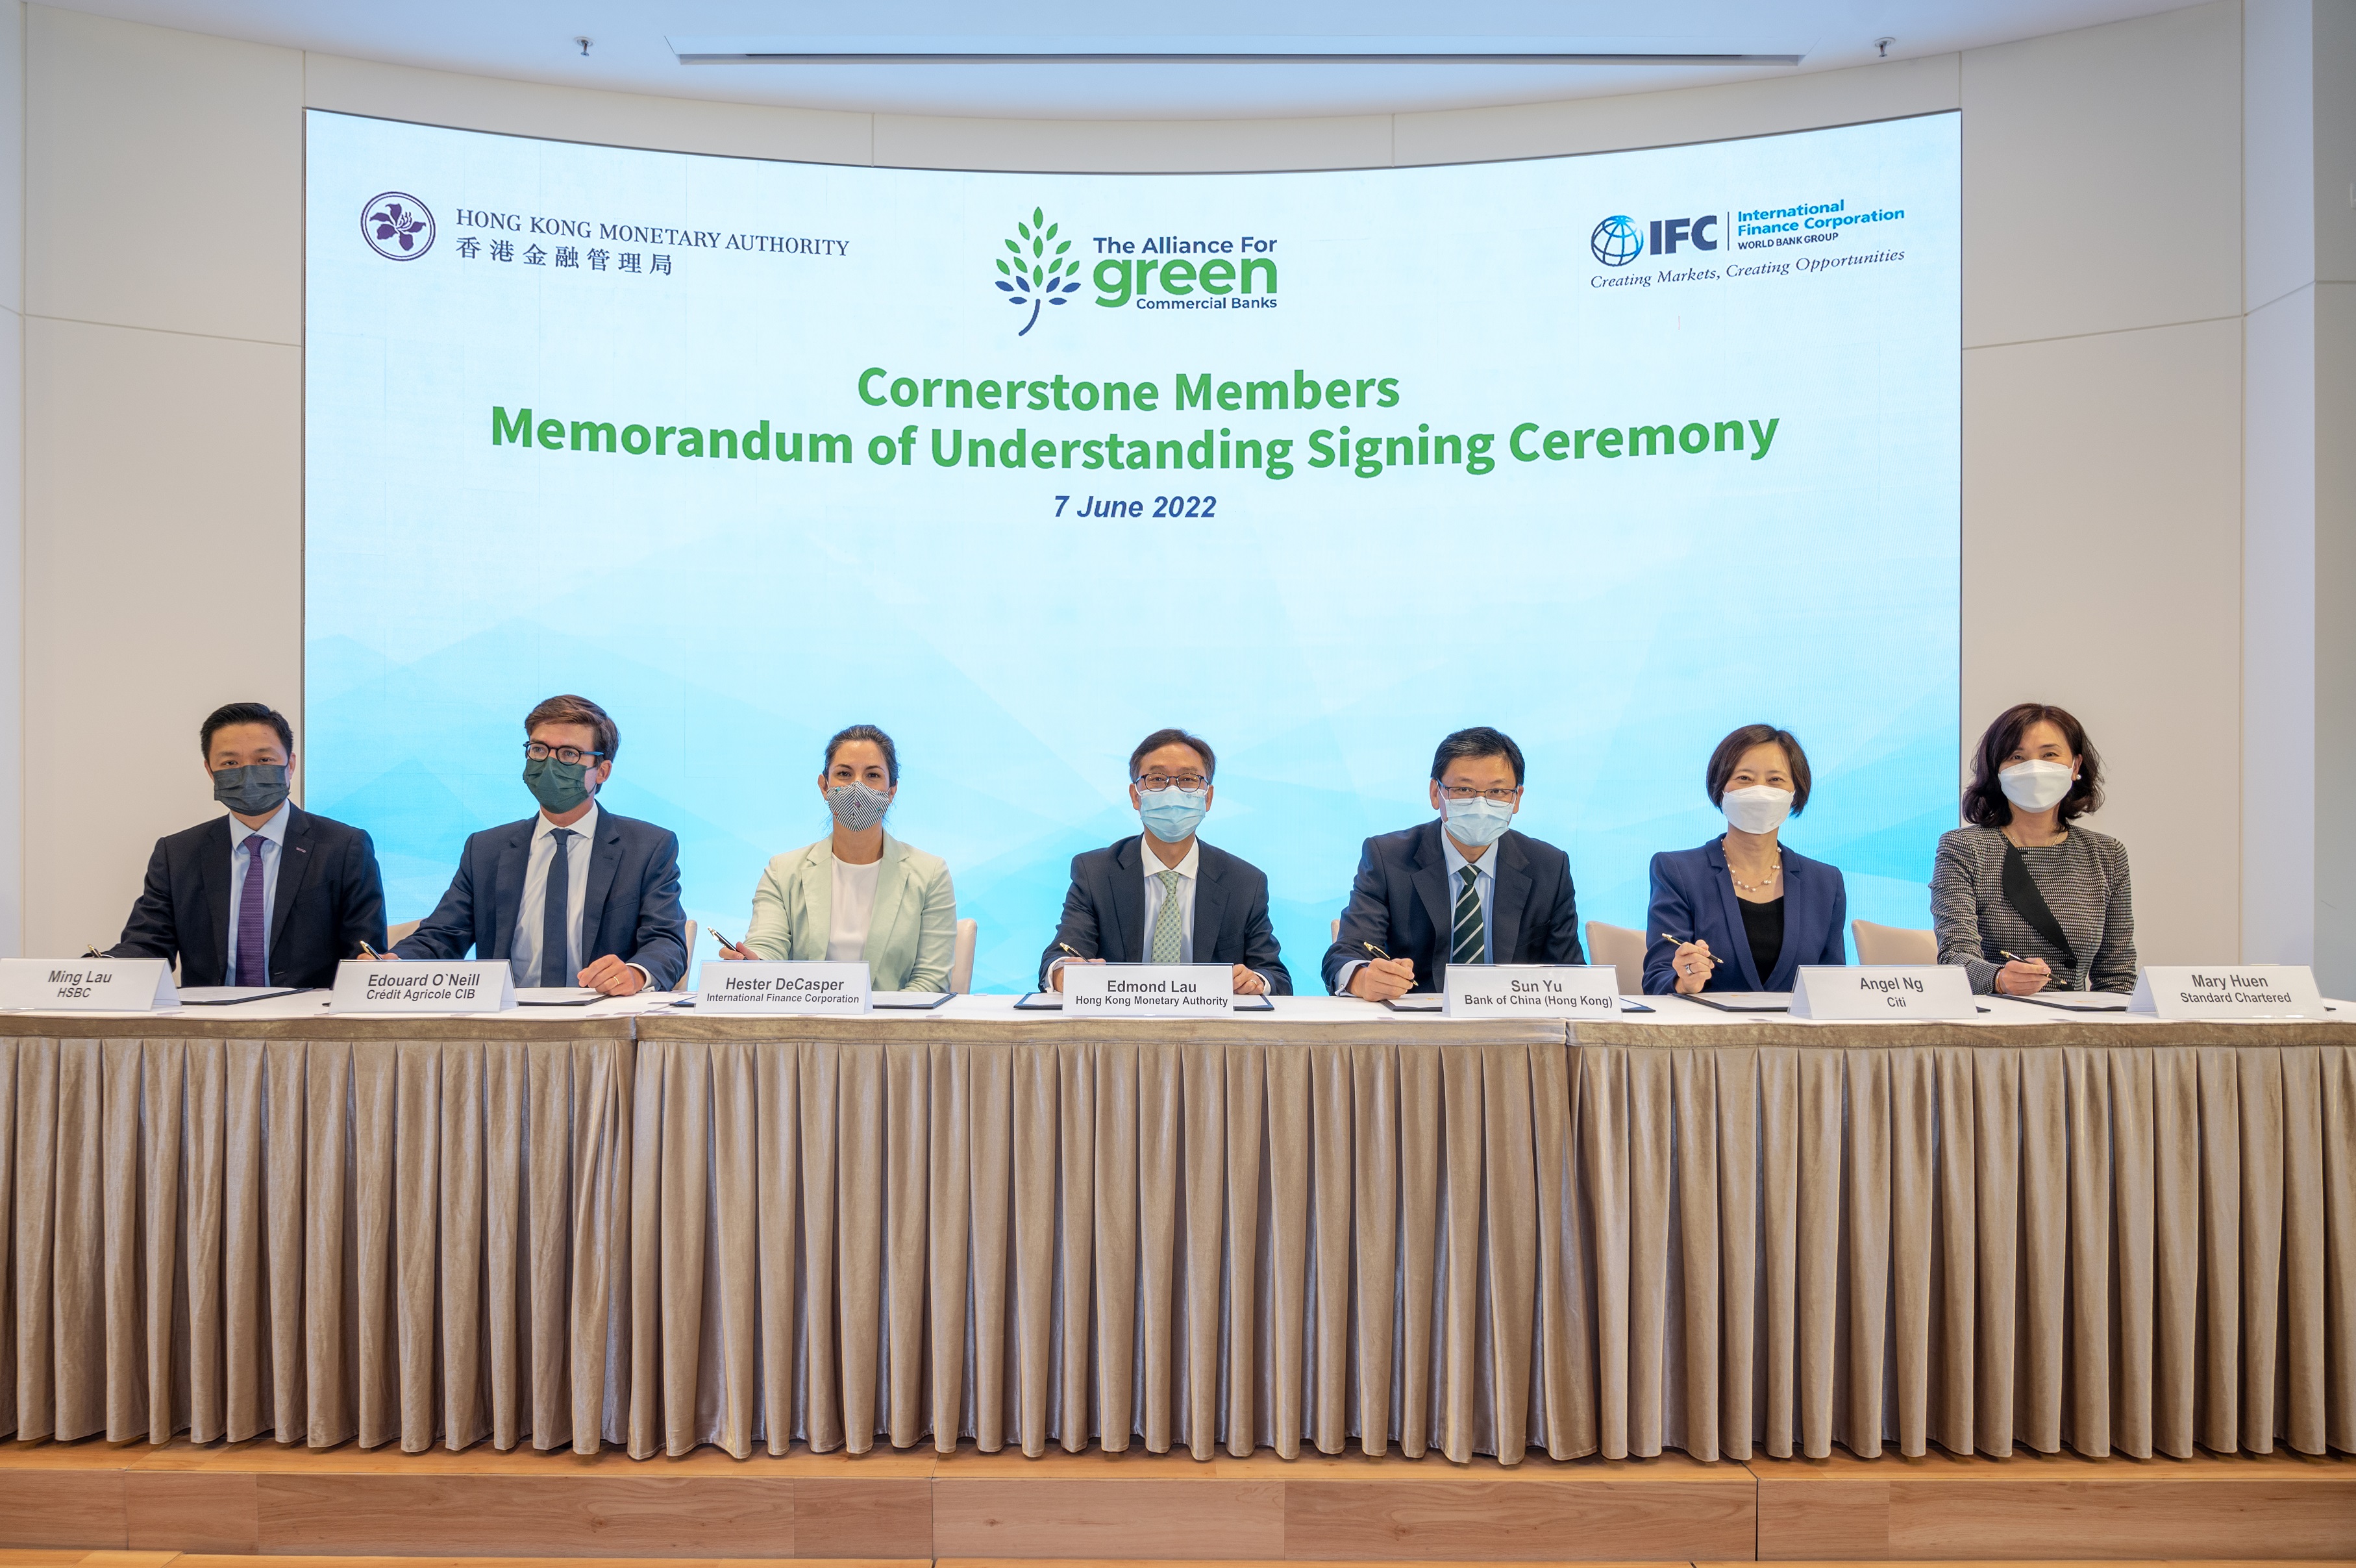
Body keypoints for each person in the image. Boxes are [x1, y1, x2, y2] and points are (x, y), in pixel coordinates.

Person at [393, 694, 687, 994]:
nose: (549, 763)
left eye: (569, 754)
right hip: (508, 1023)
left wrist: (635, 974)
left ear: (602, 771)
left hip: (602, 1019)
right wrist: (392, 964)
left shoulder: (649, 847)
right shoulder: (485, 849)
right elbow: (442, 935)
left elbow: (666, 942)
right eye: (539, 749)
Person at [110, 702, 386, 988]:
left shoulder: (344, 847)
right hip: (207, 1023)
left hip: (309, 1021)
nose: (247, 773)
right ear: (210, 771)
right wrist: (100, 971)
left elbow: (365, 955)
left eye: (264, 760)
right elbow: (147, 945)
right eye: (230, 763)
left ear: (290, 765)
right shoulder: (177, 853)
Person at [1324, 726, 1583, 998]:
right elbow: (1344, 955)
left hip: (1515, 1029)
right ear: (1436, 793)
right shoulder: (1387, 858)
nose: (1480, 804)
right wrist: (1363, 978)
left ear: (1516, 799)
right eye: (1464, 789)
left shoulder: (1549, 867)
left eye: (1497, 792)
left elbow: (1572, 975)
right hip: (1418, 1031)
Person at [1037, 728, 1289, 995]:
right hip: (1119, 1027)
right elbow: (1062, 954)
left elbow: (1274, 976)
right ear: (1136, 796)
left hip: (1211, 1031)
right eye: (1157, 779)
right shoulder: (1096, 873)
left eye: (1189, 779)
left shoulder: (1245, 883)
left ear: (1208, 797)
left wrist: (1255, 982)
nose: (1173, 790)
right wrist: (1064, 973)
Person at [721, 725, 959, 991]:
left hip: (889, 1028)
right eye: (844, 774)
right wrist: (753, 964)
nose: (858, 787)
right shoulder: (782, 871)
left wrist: (872, 1024)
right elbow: (767, 945)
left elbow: (931, 981)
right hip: (803, 1025)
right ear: (824, 787)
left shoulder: (930, 874)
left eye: (872, 775)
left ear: (892, 791)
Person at [1932, 702, 2136, 995]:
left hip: (2079, 1028)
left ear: (2075, 766)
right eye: (2017, 757)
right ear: (1997, 769)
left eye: (2049, 755)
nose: (2034, 768)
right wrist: (1999, 979)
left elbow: (2118, 976)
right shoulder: (1964, 847)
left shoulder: (2107, 854)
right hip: (1994, 1021)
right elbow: (1954, 958)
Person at [1644, 724, 1848, 994]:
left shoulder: (1825, 882)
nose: (1760, 791)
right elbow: (1657, 977)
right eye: (1744, 778)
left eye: (1775, 780)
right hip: (1707, 1032)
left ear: (1795, 793)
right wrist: (1685, 979)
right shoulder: (1677, 871)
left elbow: (1833, 985)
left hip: (1798, 1035)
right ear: (1721, 789)